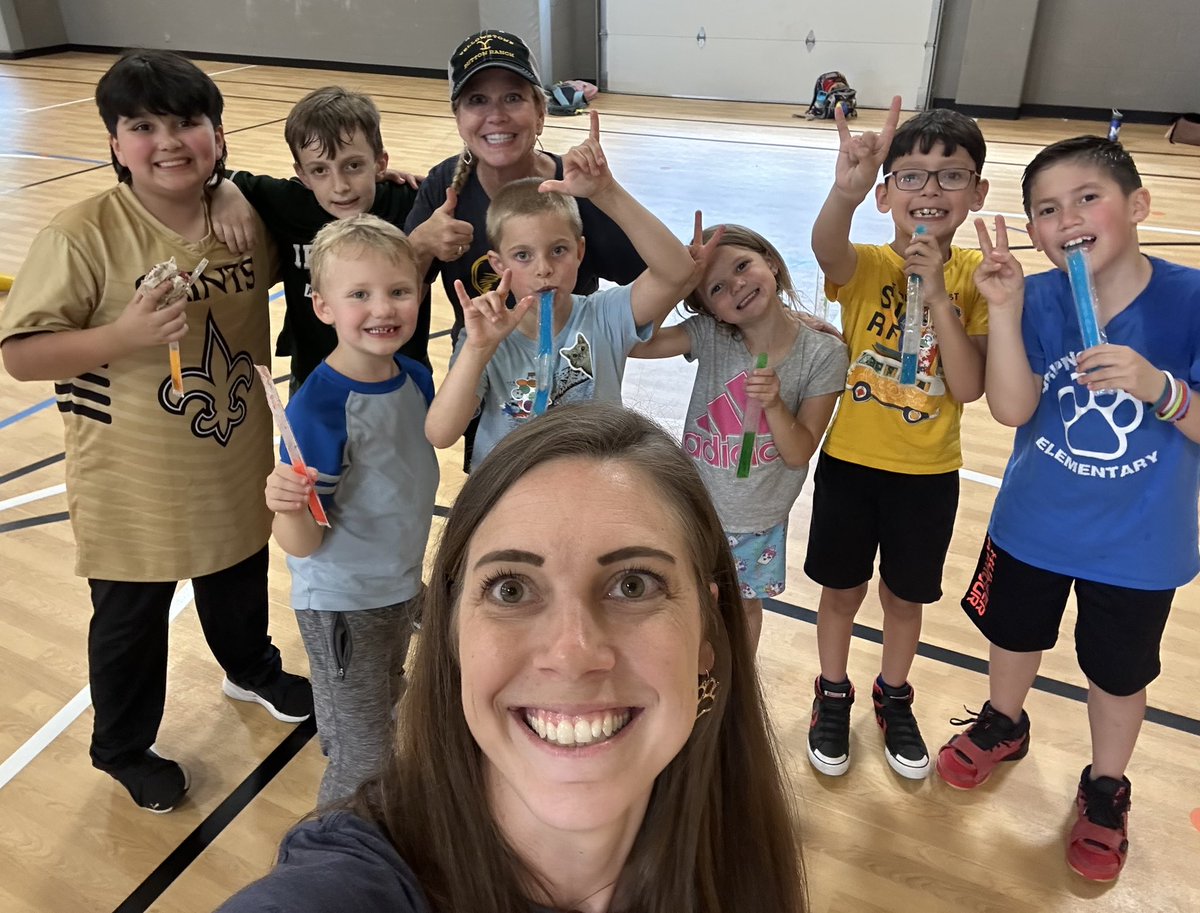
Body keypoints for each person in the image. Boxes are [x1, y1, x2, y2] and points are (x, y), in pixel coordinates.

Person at [216, 401, 807, 913]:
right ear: (450, 627)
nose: (573, 654)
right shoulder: (353, 882)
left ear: (707, 627)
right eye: (511, 589)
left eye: (633, 585)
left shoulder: (740, 859)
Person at [0, 49, 311, 813]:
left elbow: (328, 218)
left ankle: (250, 665)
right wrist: (124, 334)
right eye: (142, 126)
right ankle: (123, 746)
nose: (168, 142)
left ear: (219, 133)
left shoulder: (247, 221)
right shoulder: (83, 235)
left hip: (232, 456)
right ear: (114, 142)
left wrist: (233, 188)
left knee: (237, 573)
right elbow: (21, 355)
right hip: (132, 479)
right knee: (131, 621)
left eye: (187, 122)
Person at [936, 136, 1200, 882]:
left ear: (1139, 206)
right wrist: (1009, 311)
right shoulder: (1037, 296)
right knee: (1015, 636)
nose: (1068, 218)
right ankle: (1003, 722)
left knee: (1118, 672)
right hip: (1034, 525)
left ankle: (1107, 786)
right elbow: (1014, 407)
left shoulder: (1189, 302)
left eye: (1089, 198)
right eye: (1047, 209)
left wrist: (1162, 389)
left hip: (1142, 542)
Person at [804, 99, 990, 781]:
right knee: (840, 591)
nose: (930, 192)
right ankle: (832, 689)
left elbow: (968, 388)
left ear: (978, 192)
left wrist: (939, 293)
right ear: (887, 195)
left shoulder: (974, 279)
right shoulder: (870, 266)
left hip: (929, 472)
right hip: (851, 464)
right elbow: (828, 248)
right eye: (911, 177)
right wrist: (845, 192)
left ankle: (893, 691)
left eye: (951, 177)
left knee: (904, 598)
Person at [405, 28, 645, 468]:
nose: (496, 115)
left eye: (512, 98)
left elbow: (651, 274)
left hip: (574, 389)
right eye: (478, 100)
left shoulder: (574, 186)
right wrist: (419, 245)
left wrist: (774, 316)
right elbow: (399, 298)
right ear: (458, 117)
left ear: (540, 112)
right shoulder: (443, 186)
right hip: (491, 390)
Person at [263, 215, 438, 804]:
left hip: (396, 585)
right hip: (345, 603)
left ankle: (385, 816)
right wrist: (283, 503)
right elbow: (303, 543)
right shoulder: (319, 407)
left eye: (398, 290)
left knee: (389, 703)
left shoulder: (413, 375)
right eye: (359, 294)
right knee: (359, 753)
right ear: (322, 307)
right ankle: (336, 854)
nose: (382, 308)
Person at [424, 112, 695, 465]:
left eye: (558, 250)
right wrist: (477, 350)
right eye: (523, 255)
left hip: (591, 492)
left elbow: (677, 271)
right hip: (512, 501)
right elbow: (440, 434)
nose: (543, 269)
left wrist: (608, 193)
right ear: (498, 264)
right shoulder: (488, 337)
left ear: (580, 251)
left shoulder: (603, 316)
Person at [632, 217, 847, 650]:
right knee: (687, 602)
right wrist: (676, 278)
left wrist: (773, 404)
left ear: (770, 260)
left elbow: (799, 451)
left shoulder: (824, 353)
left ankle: (737, 692)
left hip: (757, 521)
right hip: (695, 510)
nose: (736, 286)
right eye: (714, 288)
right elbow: (637, 340)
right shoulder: (711, 336)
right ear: (707, 308)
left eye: (743, 266)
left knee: (744, 608)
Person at [211, 86, 433, 389]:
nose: (340, 186)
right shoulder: (289, 203)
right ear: (302, 174)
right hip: (314, 377)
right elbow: (203, 173)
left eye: (353, 166)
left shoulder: (411, 202)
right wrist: (222, 188)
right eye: (320, 170)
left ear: (380, 163)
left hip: (402, 377)